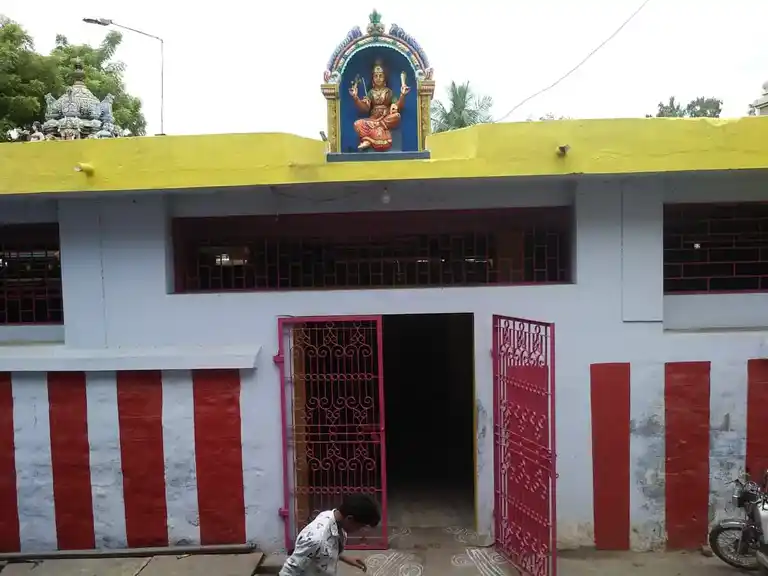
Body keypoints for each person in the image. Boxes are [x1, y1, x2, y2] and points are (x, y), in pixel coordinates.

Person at [279, 494, 381, 576]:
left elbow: (325, 548)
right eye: (360, 526)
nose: (359, 530)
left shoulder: (332, 516)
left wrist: (344, 558)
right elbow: (288, 571)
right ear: (349, 519)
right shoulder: (316, 539)